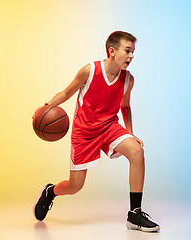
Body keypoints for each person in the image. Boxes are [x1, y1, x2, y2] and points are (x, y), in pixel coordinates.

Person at [34, 31, 160, 232]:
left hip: (109, 127)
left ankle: (135, 214)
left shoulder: (128, 80)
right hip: (84, 132)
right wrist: (45, 107)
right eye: (128, 51)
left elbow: (125, 107)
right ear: (112, 51)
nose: (132, 56)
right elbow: (67, 93)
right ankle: (51, 192)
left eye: (133, 52)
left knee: (137, 152)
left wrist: (131, 132)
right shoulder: (90, 71)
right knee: (75, 186)